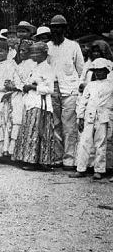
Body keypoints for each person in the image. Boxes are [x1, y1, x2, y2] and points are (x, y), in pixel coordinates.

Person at [12, 42, 61, 170]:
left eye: (36, 53)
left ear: (44, 54)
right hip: (31, 102)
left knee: (39, 132)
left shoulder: (47, 68)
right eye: (32, 52)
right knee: (31, 131)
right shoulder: (35, 67)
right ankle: (30, 159)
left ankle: (38, 161)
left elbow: (50, 89)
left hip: (41, 104)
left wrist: (33, 87)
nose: (33, 55)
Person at [47, 15, 84, 170]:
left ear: (64, 28)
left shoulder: (73, 46)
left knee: (69, 126)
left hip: (70, 90)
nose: (56, 30)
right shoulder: (47, 46)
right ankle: (57, 157)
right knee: (55, 124)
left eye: (59, 27)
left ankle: (69, 159)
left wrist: (79, 87)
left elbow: (80, 69)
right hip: (52, 89)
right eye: (53, 27)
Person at [70, 58, 113, 180]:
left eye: (101, 71)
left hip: (103, 117)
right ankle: (81, 169)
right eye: (96, 71)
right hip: (89, 116)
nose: (99, 73)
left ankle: (99, 170)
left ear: (106, 71)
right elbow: (83, 102)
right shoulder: (90, 85)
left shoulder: (111, 85)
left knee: (101, 143)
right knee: (84, 142)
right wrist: (80, 117)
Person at [0, 40, 21, 157]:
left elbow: (12, 83)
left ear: (7, 52)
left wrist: (4, 89)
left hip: (6, 96)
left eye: (1, 51)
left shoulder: (11, 65)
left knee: (4, 124)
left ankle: (4, 151)